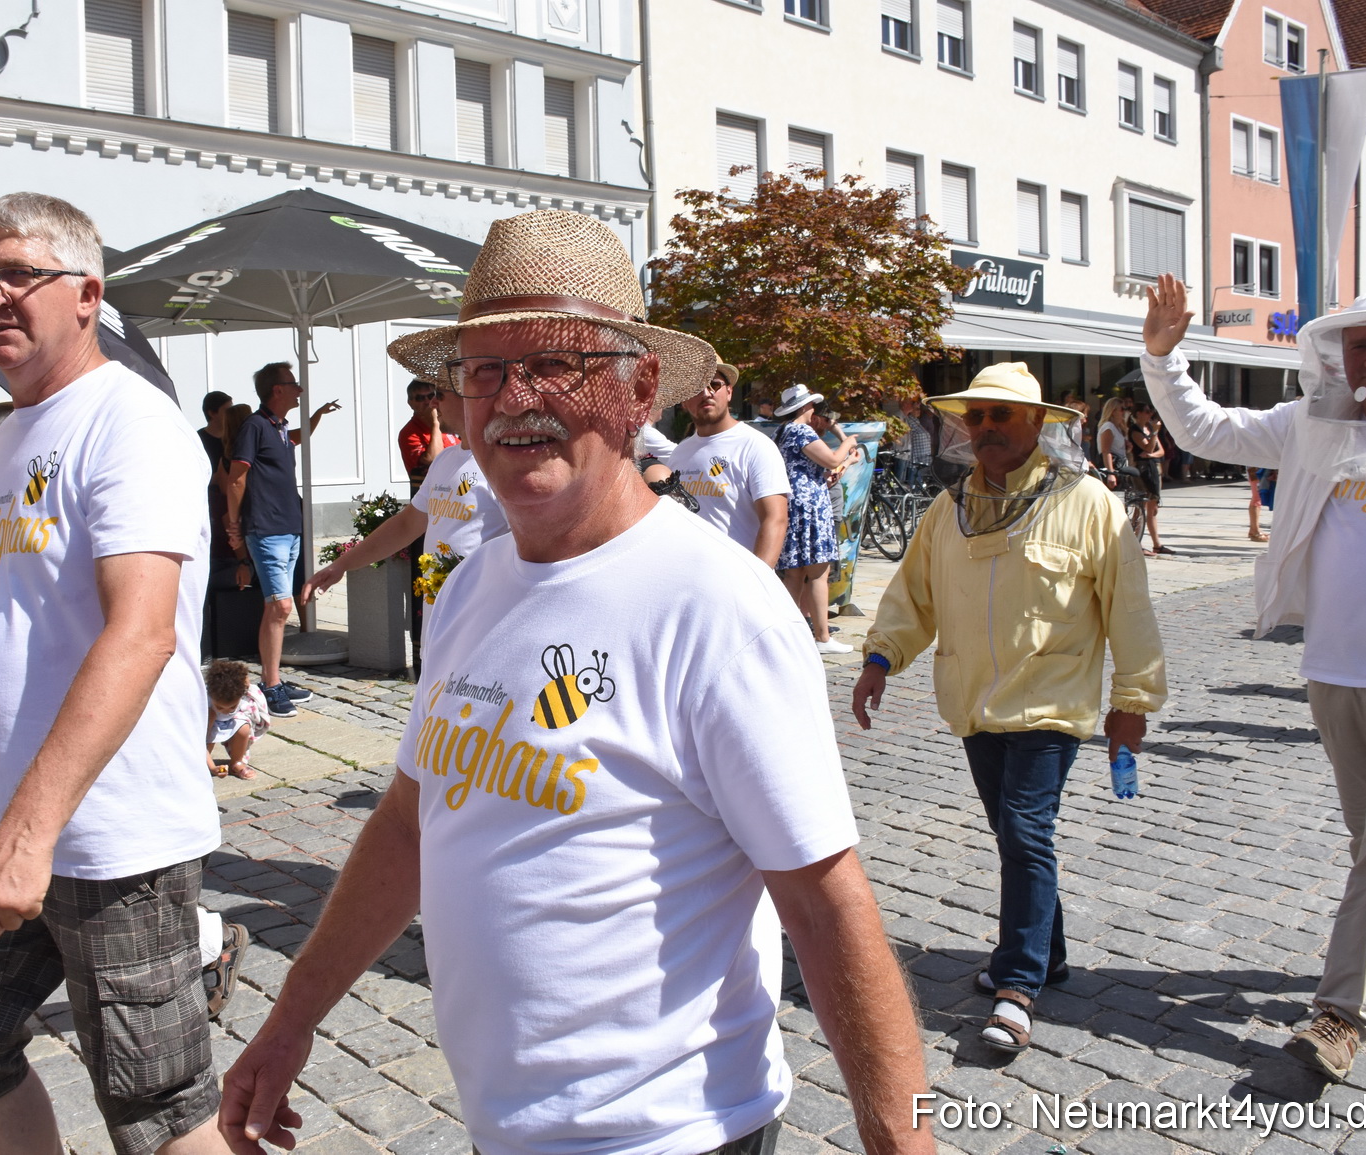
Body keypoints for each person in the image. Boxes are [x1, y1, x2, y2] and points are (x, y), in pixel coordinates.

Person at [222, 209, 931, 1155]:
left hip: (668, 1133)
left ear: (639, 390)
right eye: (485, 370)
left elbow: (825, 900)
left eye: (557, 364)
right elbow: (409, 821)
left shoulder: (715, 605)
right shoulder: (474, 583)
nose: (516, 398)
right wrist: (291, 1016)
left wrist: (904, 1142)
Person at [0, 191, 230, 1155]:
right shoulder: (14, 430)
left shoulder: (131, 424)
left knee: (156, 1103)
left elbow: (141, 636)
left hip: (108, 835)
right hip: (3, 819)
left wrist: (26, 837)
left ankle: (192, 950)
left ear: (87, 293)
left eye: (18, 274)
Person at [1142, 272, 1366, 1082]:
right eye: (1359, 342)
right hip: (1333, 669)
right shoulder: (1314, 424)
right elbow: (1206, 429)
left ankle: (1338, 1015)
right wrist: (1165, 357)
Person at [851, 361, 1166, 1054]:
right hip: (973, 703)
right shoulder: (948, 510)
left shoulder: (1087, 502)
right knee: (1013, 833)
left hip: (1051, 702)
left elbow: (1130, 609)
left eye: (1003, 415)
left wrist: (1132, 703)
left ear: (1036, 423)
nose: (987, 427)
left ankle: (1018, 983)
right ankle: (1047, 953)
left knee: (1026, 831)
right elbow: (914, 597)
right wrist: (879, 659)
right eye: (979, 416)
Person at [302, 377, 507, 610]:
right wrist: (340, 565)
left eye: (439, 395)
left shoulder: (502, 464)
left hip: (482, 611)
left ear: (468, 398)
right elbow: (407, 524)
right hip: (441, 612)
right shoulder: (445, 460)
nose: (432, 404)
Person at [225, 363, 339, 717]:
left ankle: (272, 680)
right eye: (295, 384)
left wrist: (318, 415)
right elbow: (235, 478)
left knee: (276, 608)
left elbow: (296, 439)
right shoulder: (255, 426)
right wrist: (234, 525)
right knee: (281, 608)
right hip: (266, 528)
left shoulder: (278, 427)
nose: (300, 390)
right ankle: (270, 686)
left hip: (287, 528)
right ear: (277, 390)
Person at [667, 361, 790, 566]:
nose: (706, 393)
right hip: (689, 574)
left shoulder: (756, 446)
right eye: (696, 388)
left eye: (714, 385)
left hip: (737, 577)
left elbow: (775, 519)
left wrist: (759, 580)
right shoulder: (680, 453)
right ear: (684, 401)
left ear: (729, 392)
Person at [771, 384, 861, 654]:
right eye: (811, 406)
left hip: (794, 503)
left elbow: (816, 470)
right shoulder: (801, 430)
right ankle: (822, 637)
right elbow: (833, 459)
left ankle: (787, 632)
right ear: (803, 407)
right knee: (818, 573)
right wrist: (848, 442)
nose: (814, 411)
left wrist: (843, 464)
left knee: (795, 574)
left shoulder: (782, 432)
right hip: (810, 507)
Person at [205, 659, 269, 780]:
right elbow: (200, 742)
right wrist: (213, 768)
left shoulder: (240, 692)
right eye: (220, 707)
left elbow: (244, 678)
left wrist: (243, 680)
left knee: (244, 729)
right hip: (212, 721)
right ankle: (202, 764)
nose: (226, 710)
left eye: (232, 707)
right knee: (209, 740)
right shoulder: (209, 708)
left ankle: (237, 762)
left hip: (232, 720)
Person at [1127, 401, 1173, 555]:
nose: (1150, 414)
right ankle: (1134, 542)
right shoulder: (1135, 430)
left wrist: (1151, 454)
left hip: (1154, 468)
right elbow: (1149, 446)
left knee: (1153, 508)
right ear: (1138, 413)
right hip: (1143, 471)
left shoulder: (1149, 429)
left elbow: (1160, 451)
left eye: (1150, 411)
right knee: (1140, 507)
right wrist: (1154, 433)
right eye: (1147, 411)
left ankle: (1157, 544)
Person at [396, 379, 459, 492]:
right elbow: (433, 459)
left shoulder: (448, 424)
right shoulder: (409, 433)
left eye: (430, 396)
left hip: (457, 488)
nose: (427, 402)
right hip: (431, 495)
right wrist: (435, 423)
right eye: (420, 398)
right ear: (410, 402)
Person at [1096, 396, 1132, 486]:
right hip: (1112, 468)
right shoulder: (1108, 427)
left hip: (1121, 467)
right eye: (1122, 409)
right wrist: (1110, 474)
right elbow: (1106, 451)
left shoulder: (1118, 428)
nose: (1124, 412)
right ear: (1113, 411)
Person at [198, 390, 233, 475]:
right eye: (227, 411)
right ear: (212, 413)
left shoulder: (235, 437)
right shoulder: (198, 440)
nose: (231, 414)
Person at [1246, 466, 1272, 542]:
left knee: (1256, 498)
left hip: (1257, 468)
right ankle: (1255, 531)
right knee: (1257, 498)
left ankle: (1253, 530)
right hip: (1256, 469)